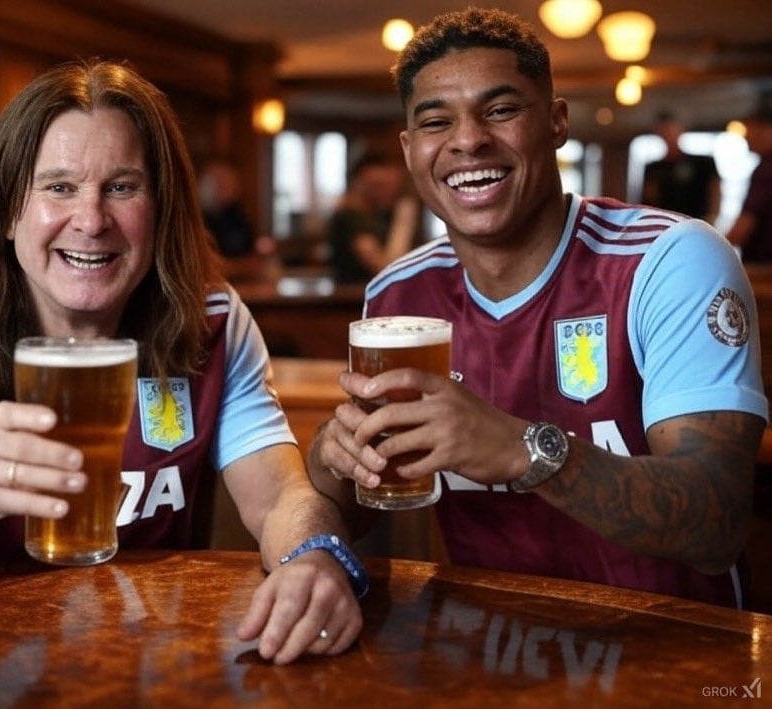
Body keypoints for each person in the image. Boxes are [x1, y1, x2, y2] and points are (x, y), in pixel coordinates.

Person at [0, 59, 364, 664]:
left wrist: (315, 557)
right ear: (8, 210)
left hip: (138, 663)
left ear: (160, 210)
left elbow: (279, 496)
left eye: (122, 187)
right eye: (58, 187)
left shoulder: (210, 319)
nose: (91, 220)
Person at [307, 8, 767, 609]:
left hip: (676, 649)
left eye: (501, 110)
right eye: (436, 121)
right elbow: (365, 510)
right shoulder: (397, 295)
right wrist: (328, 460)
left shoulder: (669, 259)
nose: (468, 139)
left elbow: (718, 522)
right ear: (410, 148)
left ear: (555, 123)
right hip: (494, 652)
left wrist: (520, 449)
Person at [327, 152, 420, 284]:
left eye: (394, 186)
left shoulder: (378, 215)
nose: (390, 192)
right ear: (359, 183)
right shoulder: (350, 218)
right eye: (380, 185)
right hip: (355, 299)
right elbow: (386, 268)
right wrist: (405, 218)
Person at [641, 111, 720, 223]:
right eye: (663, 131)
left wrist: (712, 218)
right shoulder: (653, 168)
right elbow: (649, 199)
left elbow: (715, 191)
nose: (668, 134)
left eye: (671, 129)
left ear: (680, 129)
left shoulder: (703, 163)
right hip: (666, 225)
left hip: (699, 223)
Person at [727, 104, 772, 262]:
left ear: (766, 129)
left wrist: (710, 246)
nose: (745, 137)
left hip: (764, 267)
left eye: (750, 130)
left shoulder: (766, 170)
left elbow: (744, 226)